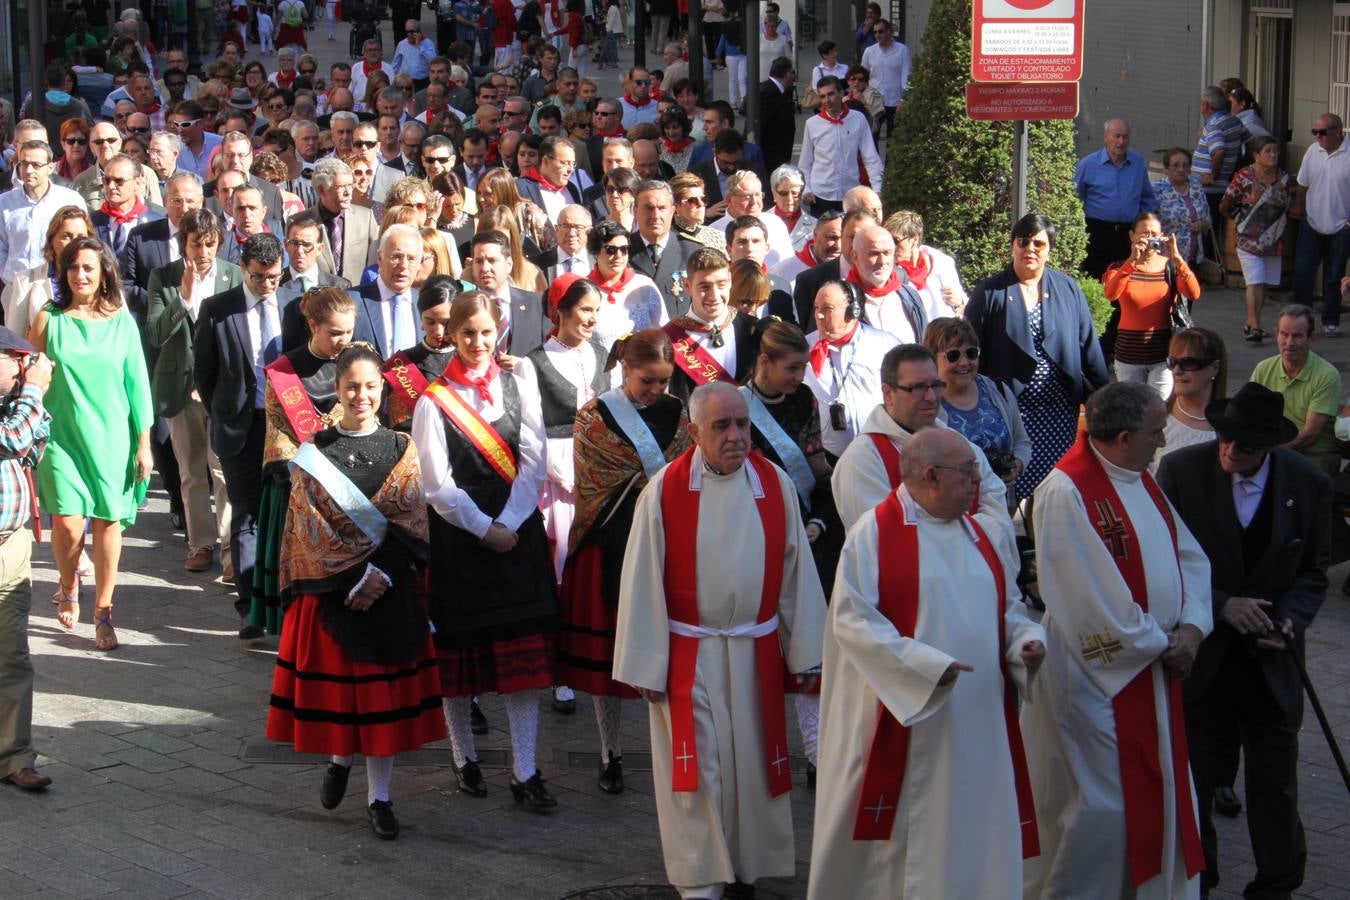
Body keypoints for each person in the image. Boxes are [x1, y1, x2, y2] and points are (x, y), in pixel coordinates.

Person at [808, 428, 1044, 899]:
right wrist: (924, 667)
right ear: (931, 476)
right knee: (908, 848)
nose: (978, 481)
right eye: (967, 472)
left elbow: (1007, 608)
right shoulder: (873, 536)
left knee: (970, 835)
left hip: (978, 722)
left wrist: (1025, 641)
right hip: (908, 717)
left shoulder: (979, 533)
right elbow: (854, 623)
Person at [613, 380, 827, 899]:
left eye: (742, 424)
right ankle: (702, 879)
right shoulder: (663, 491)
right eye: (721, 426)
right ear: (693, 432)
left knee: (755, 766)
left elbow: (796, 572)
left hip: (755, 650)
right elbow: (642, 576)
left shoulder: (772, 483)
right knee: (699, 771)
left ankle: (748, 868)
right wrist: (646, 662)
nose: (736, 436)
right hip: (692, 653)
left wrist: (809, 653)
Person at [1022, 381, 1211, 900]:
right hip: (1097, 680)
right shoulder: (1067, 490)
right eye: (1156, 433)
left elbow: (1189, 558)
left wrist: (1192, 627)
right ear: (1124, 436)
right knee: (1103, 810)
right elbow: (1083, 596)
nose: (1162, 443)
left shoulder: (1136, 477)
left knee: (1159, 792)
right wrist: (1161, 643)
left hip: (1153, 667)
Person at [265, 343, 447, 841]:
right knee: (348, 703)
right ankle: (339, 760)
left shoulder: (401, 447)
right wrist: (353, 580)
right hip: (333, 595)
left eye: (370, 386)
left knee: (381, 706)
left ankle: (379, 798)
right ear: (337, 391)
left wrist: (381, 575)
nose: (361, 395)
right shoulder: (314, 452)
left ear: (382, 389)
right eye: (351, 387)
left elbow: (412, 520)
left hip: (389, 590)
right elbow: (307, 530)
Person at [1157, 382, 1331, 900]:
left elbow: (1314, 573)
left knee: (1275, 782)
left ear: (1271, 446)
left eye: (1245, 446)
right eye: (1225, 439)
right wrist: (1220, 602)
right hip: (1206, 660)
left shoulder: (1309, 484)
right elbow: (1165, 563)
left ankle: (1277, 883)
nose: (1231, 451)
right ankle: (1199, 879)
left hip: (1272, 665)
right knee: (1200, 776)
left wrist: (1290, 620)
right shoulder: (1182, 472)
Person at [412, 290, 561, 809]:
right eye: (466, 333)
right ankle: (464, 758)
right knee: (460, 663)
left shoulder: (520, 382)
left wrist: (511, 522)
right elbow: (437, 486)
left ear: (499, 331)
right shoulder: (433, 400)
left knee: (523, 666)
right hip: (462, 541)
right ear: (451, 335)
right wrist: (484, 529)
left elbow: (535, 460)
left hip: (516, 534)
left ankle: (526, 770)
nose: (478, 342)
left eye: (485, 332)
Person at [556, 327, 691, 791]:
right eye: (646, 381)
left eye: (663, 381)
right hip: (607, 543)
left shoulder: (678, 413)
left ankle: (676, 749)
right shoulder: (593, 417)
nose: (655, 391)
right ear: (625, 370)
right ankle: (609, 750)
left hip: (666, 545)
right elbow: (593, 482)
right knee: (608, 660)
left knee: (671, 655)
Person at [29, 236, 153, 653]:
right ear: (63, 272)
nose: (80, 275)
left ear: (103, 275)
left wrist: (143, 444)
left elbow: (138, 386)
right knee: (65, 522)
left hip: (112, 438)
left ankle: (104, 610)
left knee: (107, 524)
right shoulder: (49, 318)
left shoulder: (122, 321)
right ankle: (67, 584)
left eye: (88, 268)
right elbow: (30, 378)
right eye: (72, 267)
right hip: (61, 437)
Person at [966, 214, 1111, 501]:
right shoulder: (990, 292)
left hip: (1058, 412)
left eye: (1038, 243)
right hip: (1012, 412)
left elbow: (1088, 347)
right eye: (1023, 241)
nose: (1030, 249)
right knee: (1012, 491)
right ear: (1012, 246)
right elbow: (971, 351)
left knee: (1055, 490)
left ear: (1049, 250)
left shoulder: (1068, 289)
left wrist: (1106, 397)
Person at [193, 232, 288, 639]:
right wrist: (226, 408)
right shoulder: (217, 310)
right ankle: (250, 608)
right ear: (243, 271)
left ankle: (287, 600)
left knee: (284, 513)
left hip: (287, 426)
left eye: (274, 277)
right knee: (246, 512)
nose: (267, 286)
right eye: (259, 278)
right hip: (240, 425)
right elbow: (205, 372)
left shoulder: (295, 305)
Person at [830, 342, 1012, 548]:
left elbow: (999, 520)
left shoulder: (961, 446)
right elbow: (880, 539)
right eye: (917, 388)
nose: (931, 397)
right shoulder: (862, 460)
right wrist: (964, 536)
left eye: (935, 385)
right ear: (888, 393)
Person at [250, 289, 356, 635]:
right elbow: (279, 430)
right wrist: (298, 474)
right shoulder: (285, 371)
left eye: (349, 332)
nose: (343, 341)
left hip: (349, 479)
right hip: (295, 483)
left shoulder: (357, 359)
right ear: (313, 326)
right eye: (335, 333)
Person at [145, 208, 240, 575]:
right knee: (190, 470)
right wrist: (182, 297)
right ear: (183, 243)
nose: (203, 251)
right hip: (181, 388)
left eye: (210, 244)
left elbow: (237, 334)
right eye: (196, 244)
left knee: (223, 470)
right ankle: (200, 544)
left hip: (220, 389)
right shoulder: (163, 277)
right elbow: (155, 334)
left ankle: (232, 550)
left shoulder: (232, 276)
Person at [0, 327, 52, 792]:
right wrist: (32, 392)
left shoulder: (16, 403)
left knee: (12, 654)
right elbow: (15, 439)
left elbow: (36, 441)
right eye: (14, 359)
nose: (23, 368)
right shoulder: (19, 406)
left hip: (12, 543)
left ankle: (15, 756)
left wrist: (28, 399)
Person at [924, 317, 1029, 508]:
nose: (964, 363)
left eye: (971, 353)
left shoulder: (998, 390)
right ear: (933, 358)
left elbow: (1022, 441)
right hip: (953, 509)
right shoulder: (927, 403)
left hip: (1001, 505)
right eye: (953, 355)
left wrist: (1016, 466)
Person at [1102, 212, 1203, 397]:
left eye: (1154, 234)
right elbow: (1111, 294)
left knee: (1159, 410)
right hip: (1128, 356)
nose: (1149, 239)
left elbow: (1194, 293)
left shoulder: (1170, 267)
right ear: (1132, 236)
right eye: (1144, 233)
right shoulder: (1118, 267)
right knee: (1132, 413)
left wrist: (1178, 259)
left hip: (1163, 357)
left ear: (1161, 236)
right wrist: (1132, 261)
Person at [1249, 304, 1343, 475]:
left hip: (1316, 454)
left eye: (1297, 336)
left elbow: (1309, 435)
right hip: (1272, 447)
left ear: (1311, 338)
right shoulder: (1263, 369)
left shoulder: (1327, 375)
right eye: (1284, 334)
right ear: (1276, 333)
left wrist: (1268, 452)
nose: (1289, 343)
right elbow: (1251, 415)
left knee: (1291, 478)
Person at [1220, 135, 1292, 343]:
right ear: (1256, 155)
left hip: (1274, 238)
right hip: (1248, 239)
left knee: (1266, 283)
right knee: (1255, 280)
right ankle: (1255, 325)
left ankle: (1253, 322)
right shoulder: (1244, 176)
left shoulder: (1284, 178)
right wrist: (1242, 220)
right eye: (1268, 151)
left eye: (1275, 151)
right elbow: (1226, 205)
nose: (1272, 155)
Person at [662, 247, 755, 401]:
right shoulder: (667, 340)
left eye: (721, 285)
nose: (714, 296)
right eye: (704, 287)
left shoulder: (753, 329)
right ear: (687, 286)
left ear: (731, 281)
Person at [1074, 119, 1158, 278]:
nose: (1121, 141)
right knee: (1097, 276)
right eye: (1116, 136)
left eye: (1125, 137)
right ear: (1106, 137)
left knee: (1127, 277)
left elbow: (1147, 198)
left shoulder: (1137, 163)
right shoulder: (1088, 165)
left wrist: (1146, 227)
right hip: (1097, 231)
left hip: (1128, 232)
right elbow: (1075, 199)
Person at [1292, 113, 1350, 336]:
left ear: (1338, 131)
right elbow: (1302, 184)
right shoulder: (1312, 152)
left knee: (1334, 275)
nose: (1318, 136)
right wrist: (1300, 210)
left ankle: (1331, 319)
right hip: (1312, 223)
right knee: (1303, 272)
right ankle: (1300, 320)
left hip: (1341, 226)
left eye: (1323, 132)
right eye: (1315, 132)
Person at [0, 140, 87, 287]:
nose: (28, 170)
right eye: (24, 163)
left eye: (36, 165)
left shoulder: (70, 200)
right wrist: (7, 276)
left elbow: (83, 243)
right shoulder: (4, 203)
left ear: (50, 167)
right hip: (16, 287)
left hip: (59, 286)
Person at [2, 206, 91, 345]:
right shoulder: (26, 281)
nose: (74, 243)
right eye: (66, 236)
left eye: (81, 237)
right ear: (52, 240)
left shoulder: (102, 279)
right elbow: (14, 342)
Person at [585, 219, 669, 354]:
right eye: (610, 250)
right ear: (595, 253)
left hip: (641, 368)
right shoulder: (584, 290)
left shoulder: (644, 285)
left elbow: (664, 333)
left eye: (624, 250)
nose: (618, 256)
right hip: (600, 371)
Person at [1152, 327, 1227, 471]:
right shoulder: (1154, 418)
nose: (1176, 371)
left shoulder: (1229, 427)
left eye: (1188, 363)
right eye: (1172, 362)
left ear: (1215, 367)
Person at [630, 180, 698, 319]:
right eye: (648, 208)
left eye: (662, 208)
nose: (655, 216)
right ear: (635, 211)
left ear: (673, 211)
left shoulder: (692, 251)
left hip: (679, 338)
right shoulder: (621, 251)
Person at [885, 209, 967, 322]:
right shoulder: (889, 272)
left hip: (942, 336)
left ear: (914, 239)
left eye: (895, 240)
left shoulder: (943, 264)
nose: (891, 246)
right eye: (888, 241)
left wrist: (959, 302)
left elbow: (964, 304)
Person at [1152, 148, 1213, 269]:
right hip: (1166, 258)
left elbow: (1207, 217)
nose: (1181, 169)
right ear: (1166, 168)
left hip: (1194, 257)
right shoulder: (1156, 189)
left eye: (1185, 165)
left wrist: (1202, 224)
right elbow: (1150, 224)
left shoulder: (1196, 187)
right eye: (1175, 165)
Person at [1194, 86, 1243, 227]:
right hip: (1223, 186)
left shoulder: (1214, 124)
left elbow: (1219, 151)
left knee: (1207, 230)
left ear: (1206, 105)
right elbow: (1249, 143)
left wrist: (1212, 174)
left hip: (1210, 188)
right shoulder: (1234, 121)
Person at [859, 19, 909, 138]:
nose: (877, 35)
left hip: (894, 101)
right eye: (875, 32)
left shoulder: (902, 50)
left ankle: (890, 158)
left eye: (880, 32)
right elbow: (862, 76)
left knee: (893, 138)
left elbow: (906, 75)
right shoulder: (869, 51)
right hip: (874, 101)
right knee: (872, 137)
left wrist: (903, 100)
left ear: (889, 32)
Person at [757, 58, 797, 177]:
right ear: (787, 74)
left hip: (776, 155)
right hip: (770, 157)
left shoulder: (772, 89)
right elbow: (760, 124)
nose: (794, 76)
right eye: (793, 72)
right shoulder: (768, 92)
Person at [767, 165, 816, 255]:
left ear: (801, 194)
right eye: (783, 193)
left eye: (795, 193)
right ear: (774, 193)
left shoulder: (815, 226)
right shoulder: (761, 221)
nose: (790, 199)